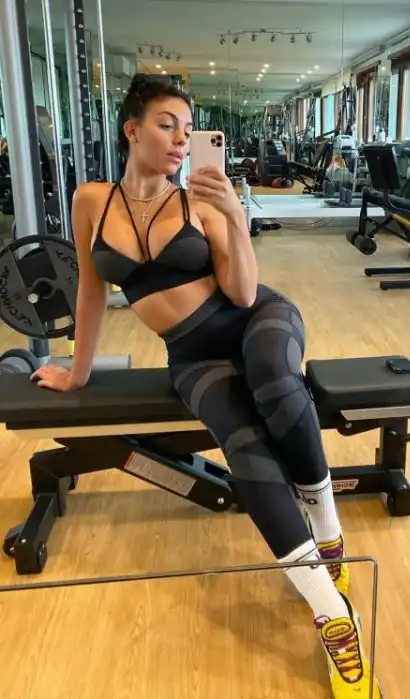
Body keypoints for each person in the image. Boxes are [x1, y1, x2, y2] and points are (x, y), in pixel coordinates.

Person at [31, 75, 380, 699]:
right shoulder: (91, 201)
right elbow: (90, 290)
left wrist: (235, 218)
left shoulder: (200, 201)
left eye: (188, 131)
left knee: (274, 380)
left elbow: (242, 294)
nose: (179, 140)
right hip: (192, 354)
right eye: (167, 125)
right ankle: (334, 615)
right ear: (131, 128)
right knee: (245, 449)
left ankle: (328, 535)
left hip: (257, 318)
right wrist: (77, 372)